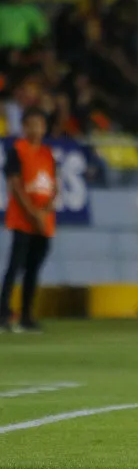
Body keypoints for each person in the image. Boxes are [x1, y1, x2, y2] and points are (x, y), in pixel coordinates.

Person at [0, 108, 57, 333]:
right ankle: (4, 314)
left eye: (40, 124)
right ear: (24, 127)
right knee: (15, 267)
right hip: (23, 220)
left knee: (33, 269)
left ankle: (26, 316)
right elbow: (15, 185)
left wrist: (46, 212)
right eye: (32, 124)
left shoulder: (47, 153)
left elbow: (54, 187)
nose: (36, 129)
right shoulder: (17, 150)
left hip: (44, 222)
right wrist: (35, 213)